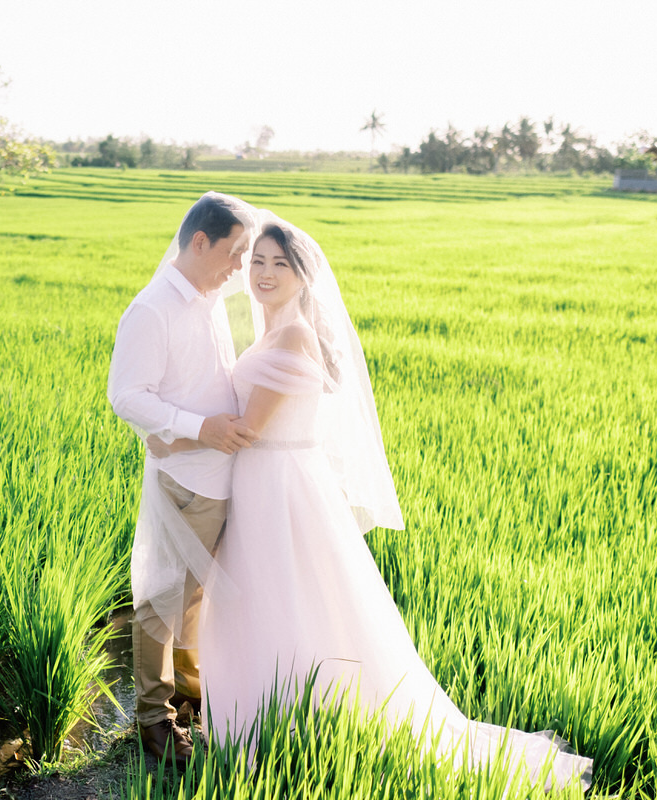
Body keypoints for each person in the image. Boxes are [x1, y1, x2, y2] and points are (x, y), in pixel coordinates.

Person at [148, 215, 594, 790]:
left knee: (286, 600)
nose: (263, 273)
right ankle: (264, 721)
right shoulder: (273, 331)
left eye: (280, 264)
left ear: (303, 276)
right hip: (264, 486)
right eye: (257, 261)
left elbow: (249, 430)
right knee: (268, 601)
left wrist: (173, 434)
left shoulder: (294, 336)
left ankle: (289, 725)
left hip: (281, 488)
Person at [107, 192, 259, 766]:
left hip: (220, 472)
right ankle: (155, 719)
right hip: (189, 475)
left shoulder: (209, 293)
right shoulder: (152, 311)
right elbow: (126, 397)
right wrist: (198, 428)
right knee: (163, 596)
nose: (239, 266)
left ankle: (190, 695)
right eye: (234, 251)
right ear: (200, 242)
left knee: (193, 595)